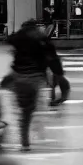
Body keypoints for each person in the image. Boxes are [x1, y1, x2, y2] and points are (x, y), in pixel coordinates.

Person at [6, 17, 53, 150]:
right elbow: (50, 55)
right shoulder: (40, 37)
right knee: (31, 108)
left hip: (19, 76)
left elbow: (9, 39)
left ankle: (24, 142)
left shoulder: (19, 36)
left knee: (24, 110)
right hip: (36, 77)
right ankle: (36, 129)